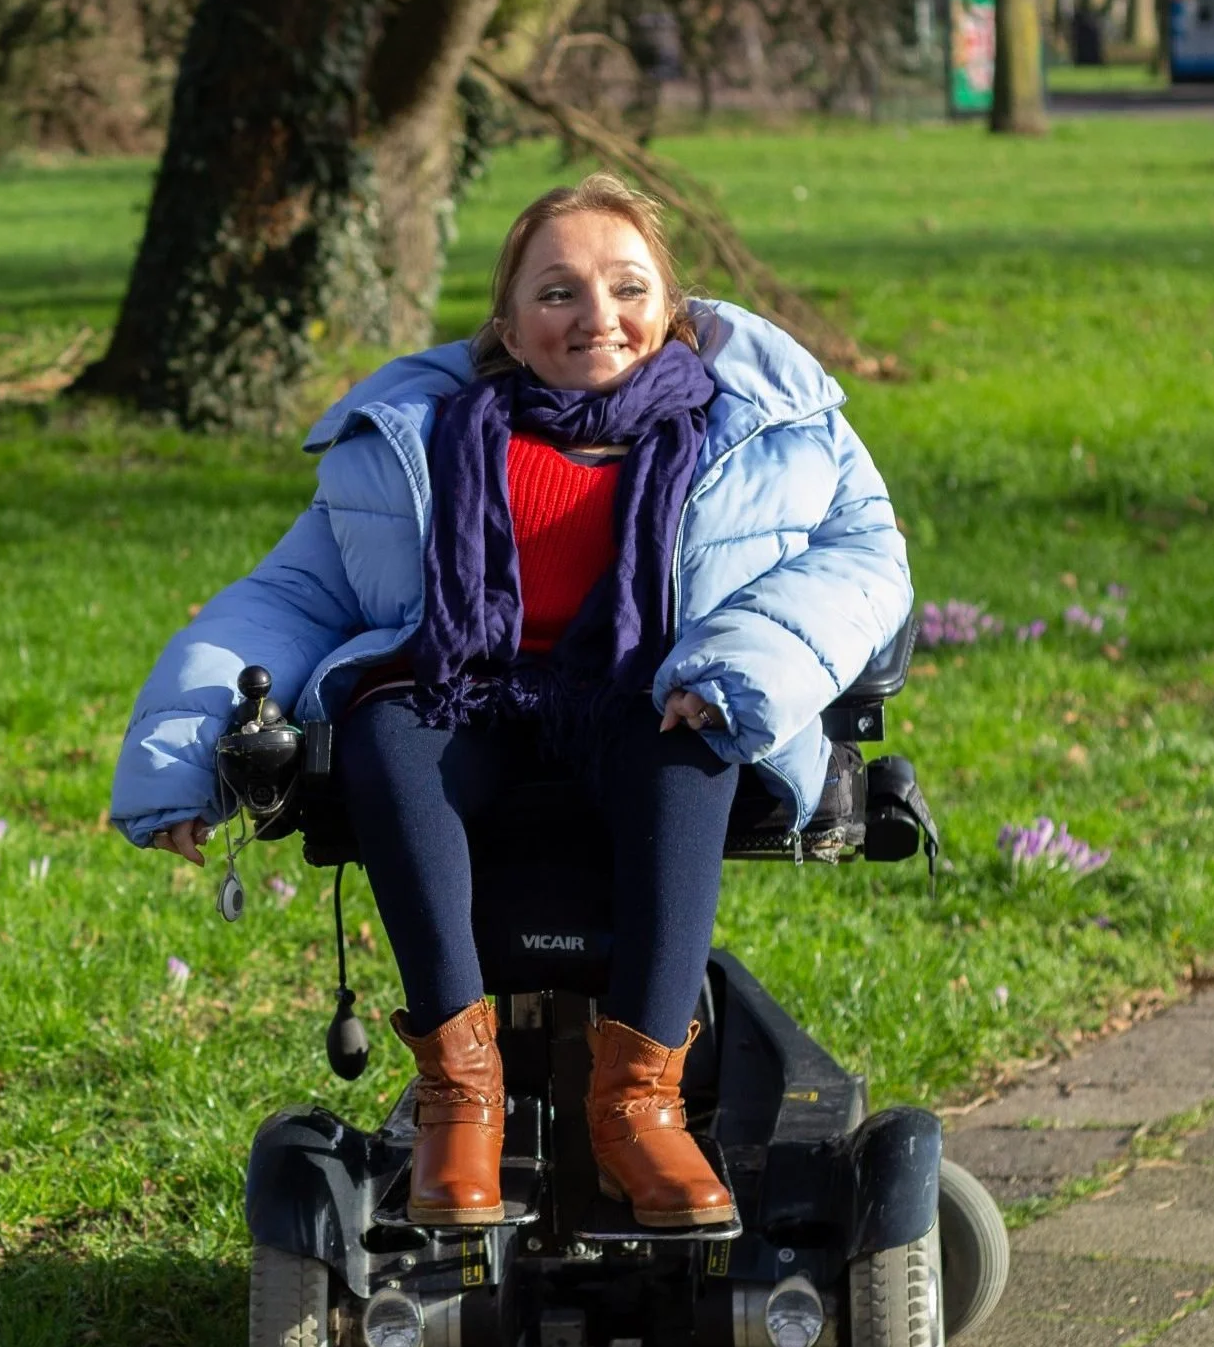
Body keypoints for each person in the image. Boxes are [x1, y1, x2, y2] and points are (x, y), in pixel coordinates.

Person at [111, 173, 912, 1232]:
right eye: (559, 293)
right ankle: (459, 1094)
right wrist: (183, 754)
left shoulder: (770, 430)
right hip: (470, 693)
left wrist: (740, 670)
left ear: (673, 311)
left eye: (627, 287)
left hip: (649, 698)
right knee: (384, 725)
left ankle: (639, 1105)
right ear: (509, 324)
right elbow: (295, 597)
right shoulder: (420, 438)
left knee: (694, 733)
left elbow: (865, 559)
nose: (597, 316)